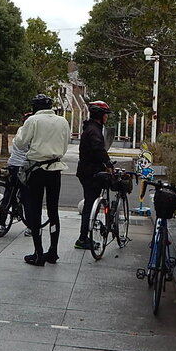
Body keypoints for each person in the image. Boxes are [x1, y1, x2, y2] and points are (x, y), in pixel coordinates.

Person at [12, 94, 71, 266]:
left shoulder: (33, 120)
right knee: (53, 211)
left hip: (36, 169)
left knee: (36, 209)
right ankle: (53, 250)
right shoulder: (63, 121)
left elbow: (20, 144)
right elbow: (65, 143)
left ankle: (38, 253)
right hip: (55, 168)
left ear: (34, 107)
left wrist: (20, 131)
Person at [75, 100, 113, 250]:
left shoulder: (91, 127)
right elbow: (98, 149)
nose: (107, 117)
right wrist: (108, 163)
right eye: (105, 114)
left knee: (90, 205)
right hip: (91, 172)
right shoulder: (94, 130)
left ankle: (85, 235)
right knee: (90, 206)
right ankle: (83, 238)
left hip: (86, 170)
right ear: (100, 115)